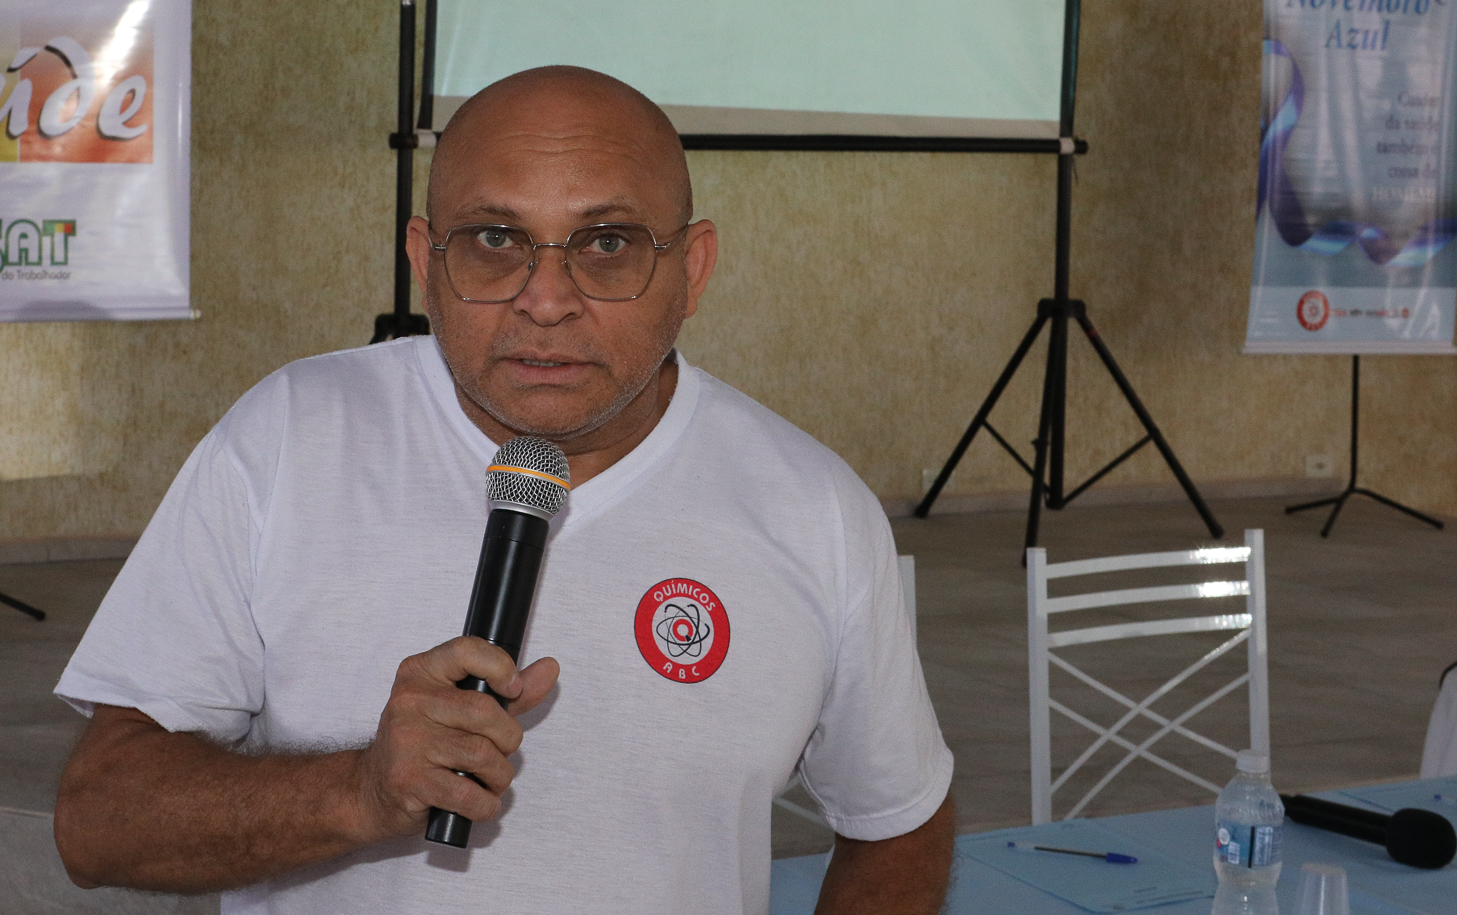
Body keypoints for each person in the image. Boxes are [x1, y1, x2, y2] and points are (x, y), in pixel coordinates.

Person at [52, 65, 956, 913]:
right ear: (425, 261)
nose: (547, 299)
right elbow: (97, 825)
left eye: (607, 244)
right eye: (495, 240)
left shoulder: (812, 509)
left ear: (692, 269)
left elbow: (896, 823)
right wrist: (357, 793)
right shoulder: (292, 436)